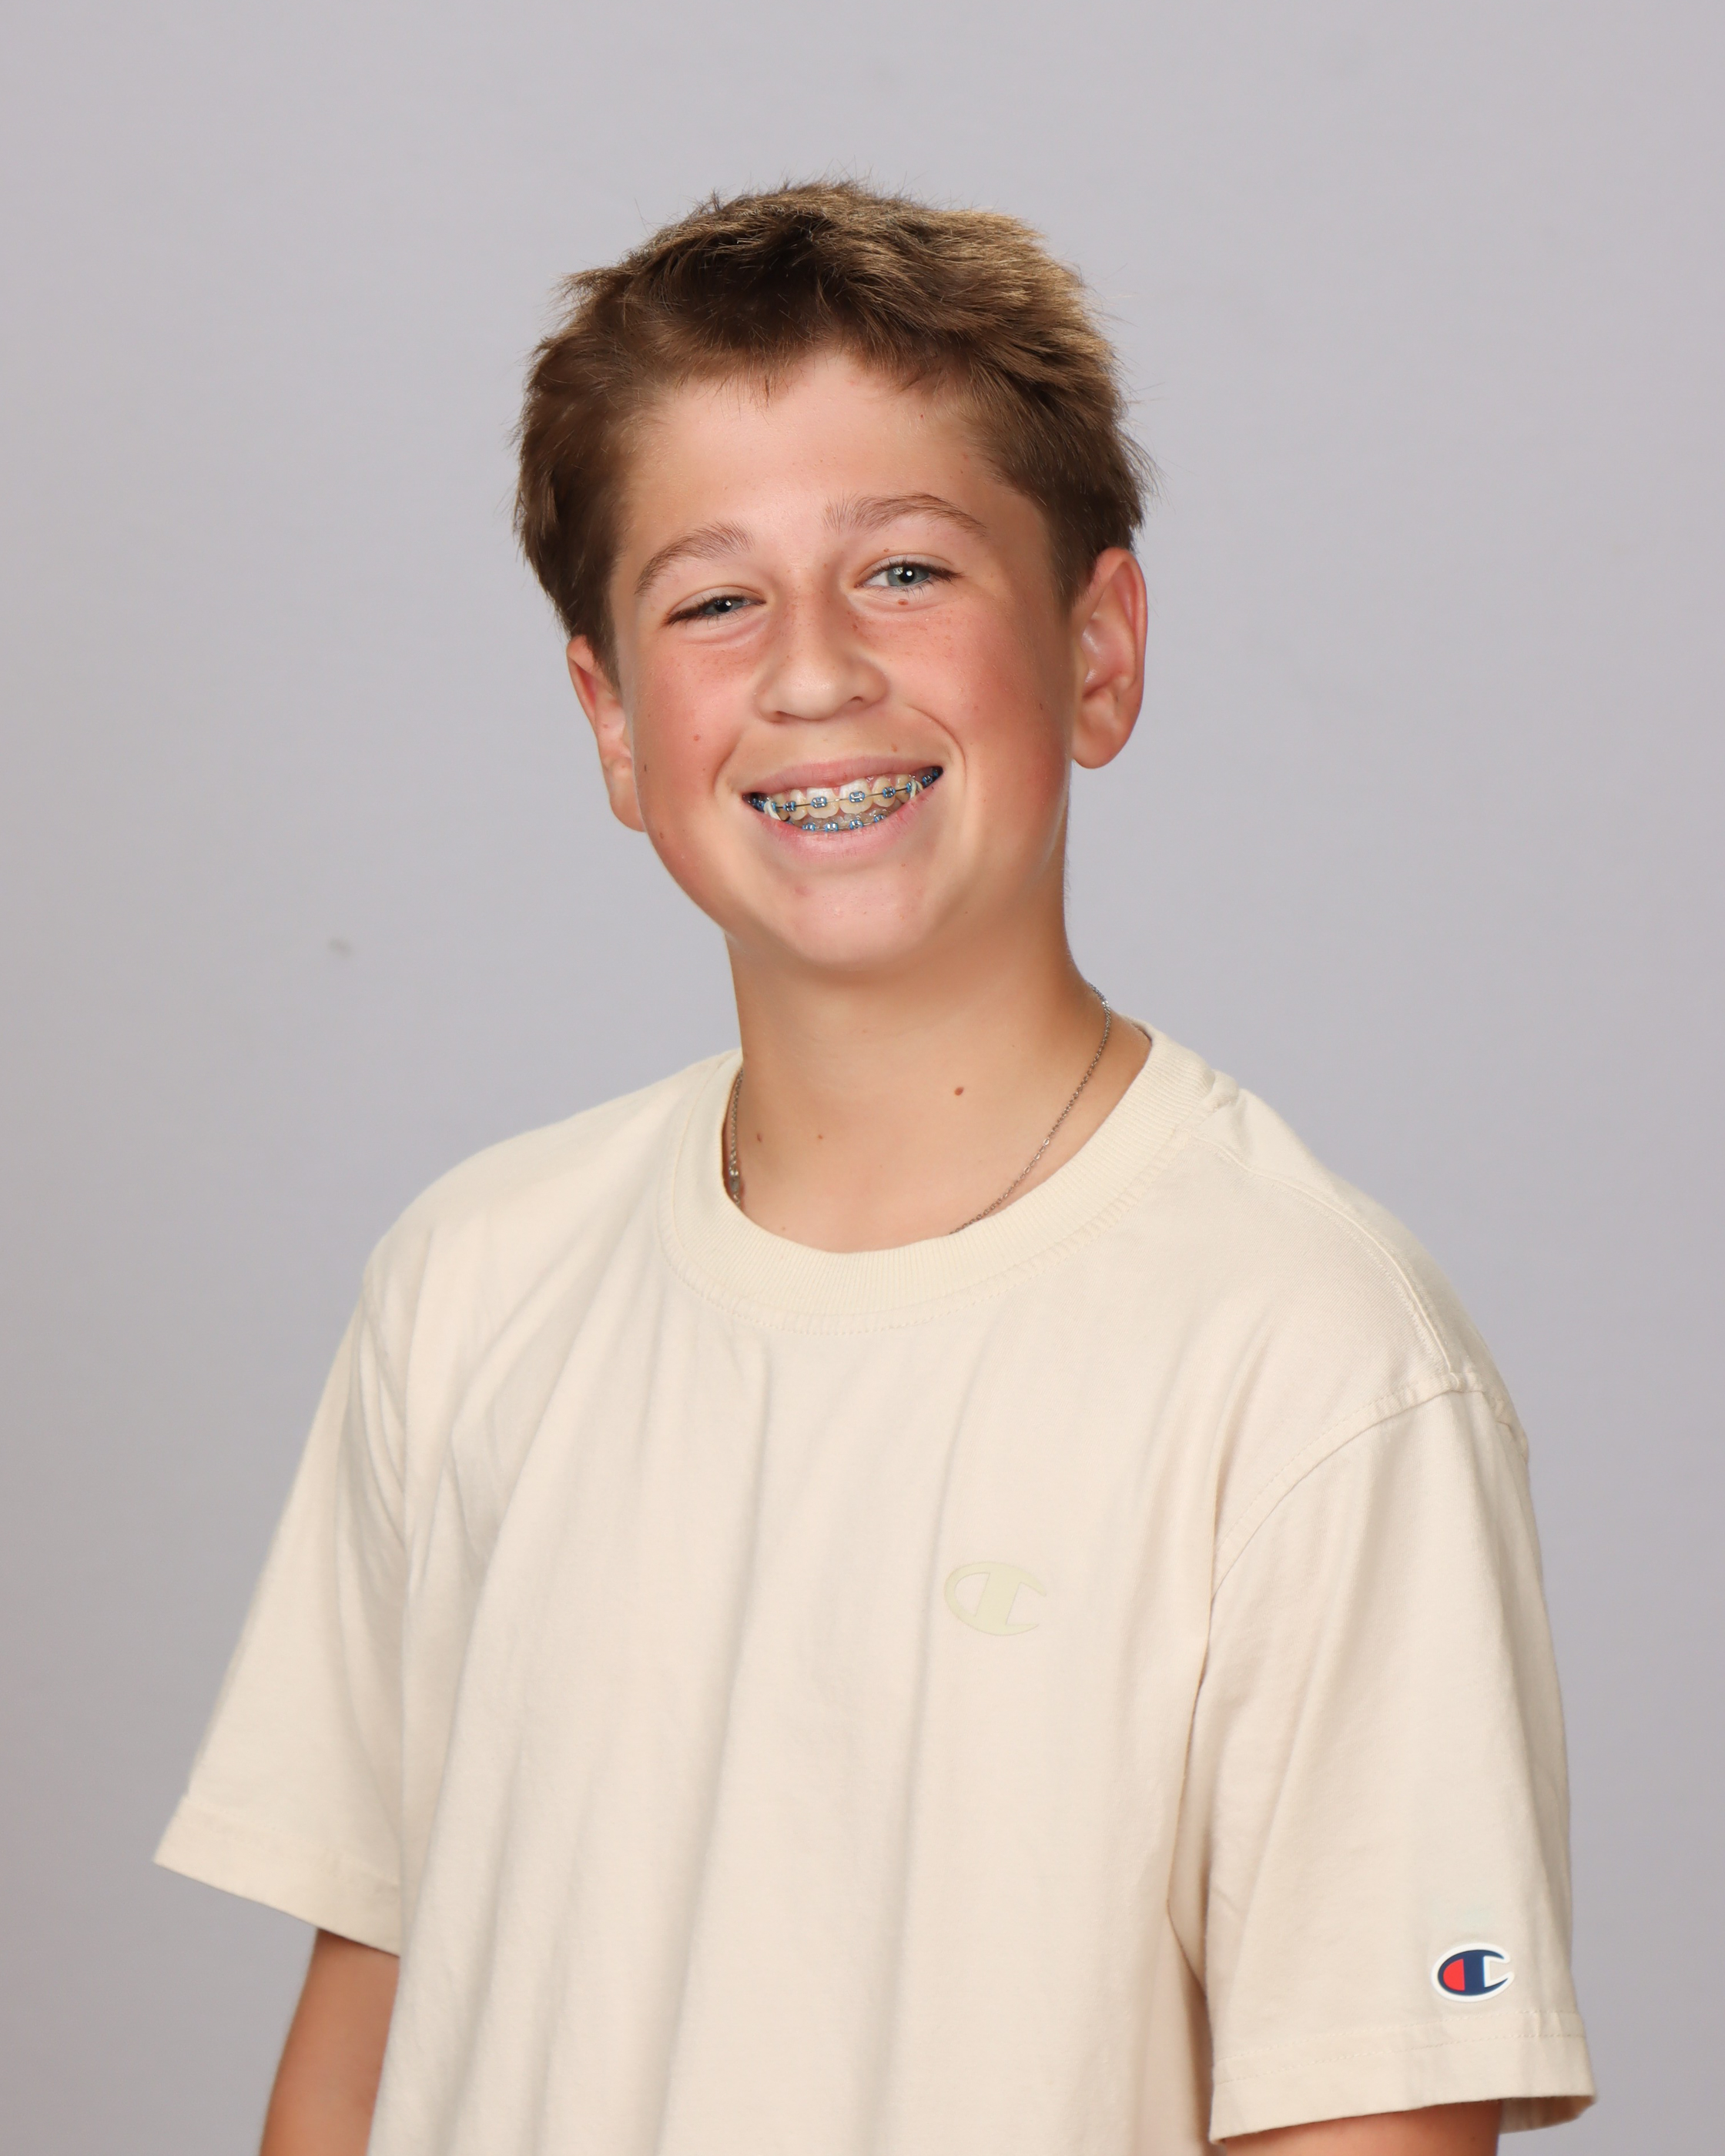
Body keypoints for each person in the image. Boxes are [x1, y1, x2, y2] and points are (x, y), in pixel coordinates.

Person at [156, 181, 1595, 2154]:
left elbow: (1372, 2120)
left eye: (905, 570)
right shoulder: (471, 1285)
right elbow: (364, 2038)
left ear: (1097, 650)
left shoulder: (1316, 1365)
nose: (814, 670)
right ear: (611, 722)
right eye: (712, 599)